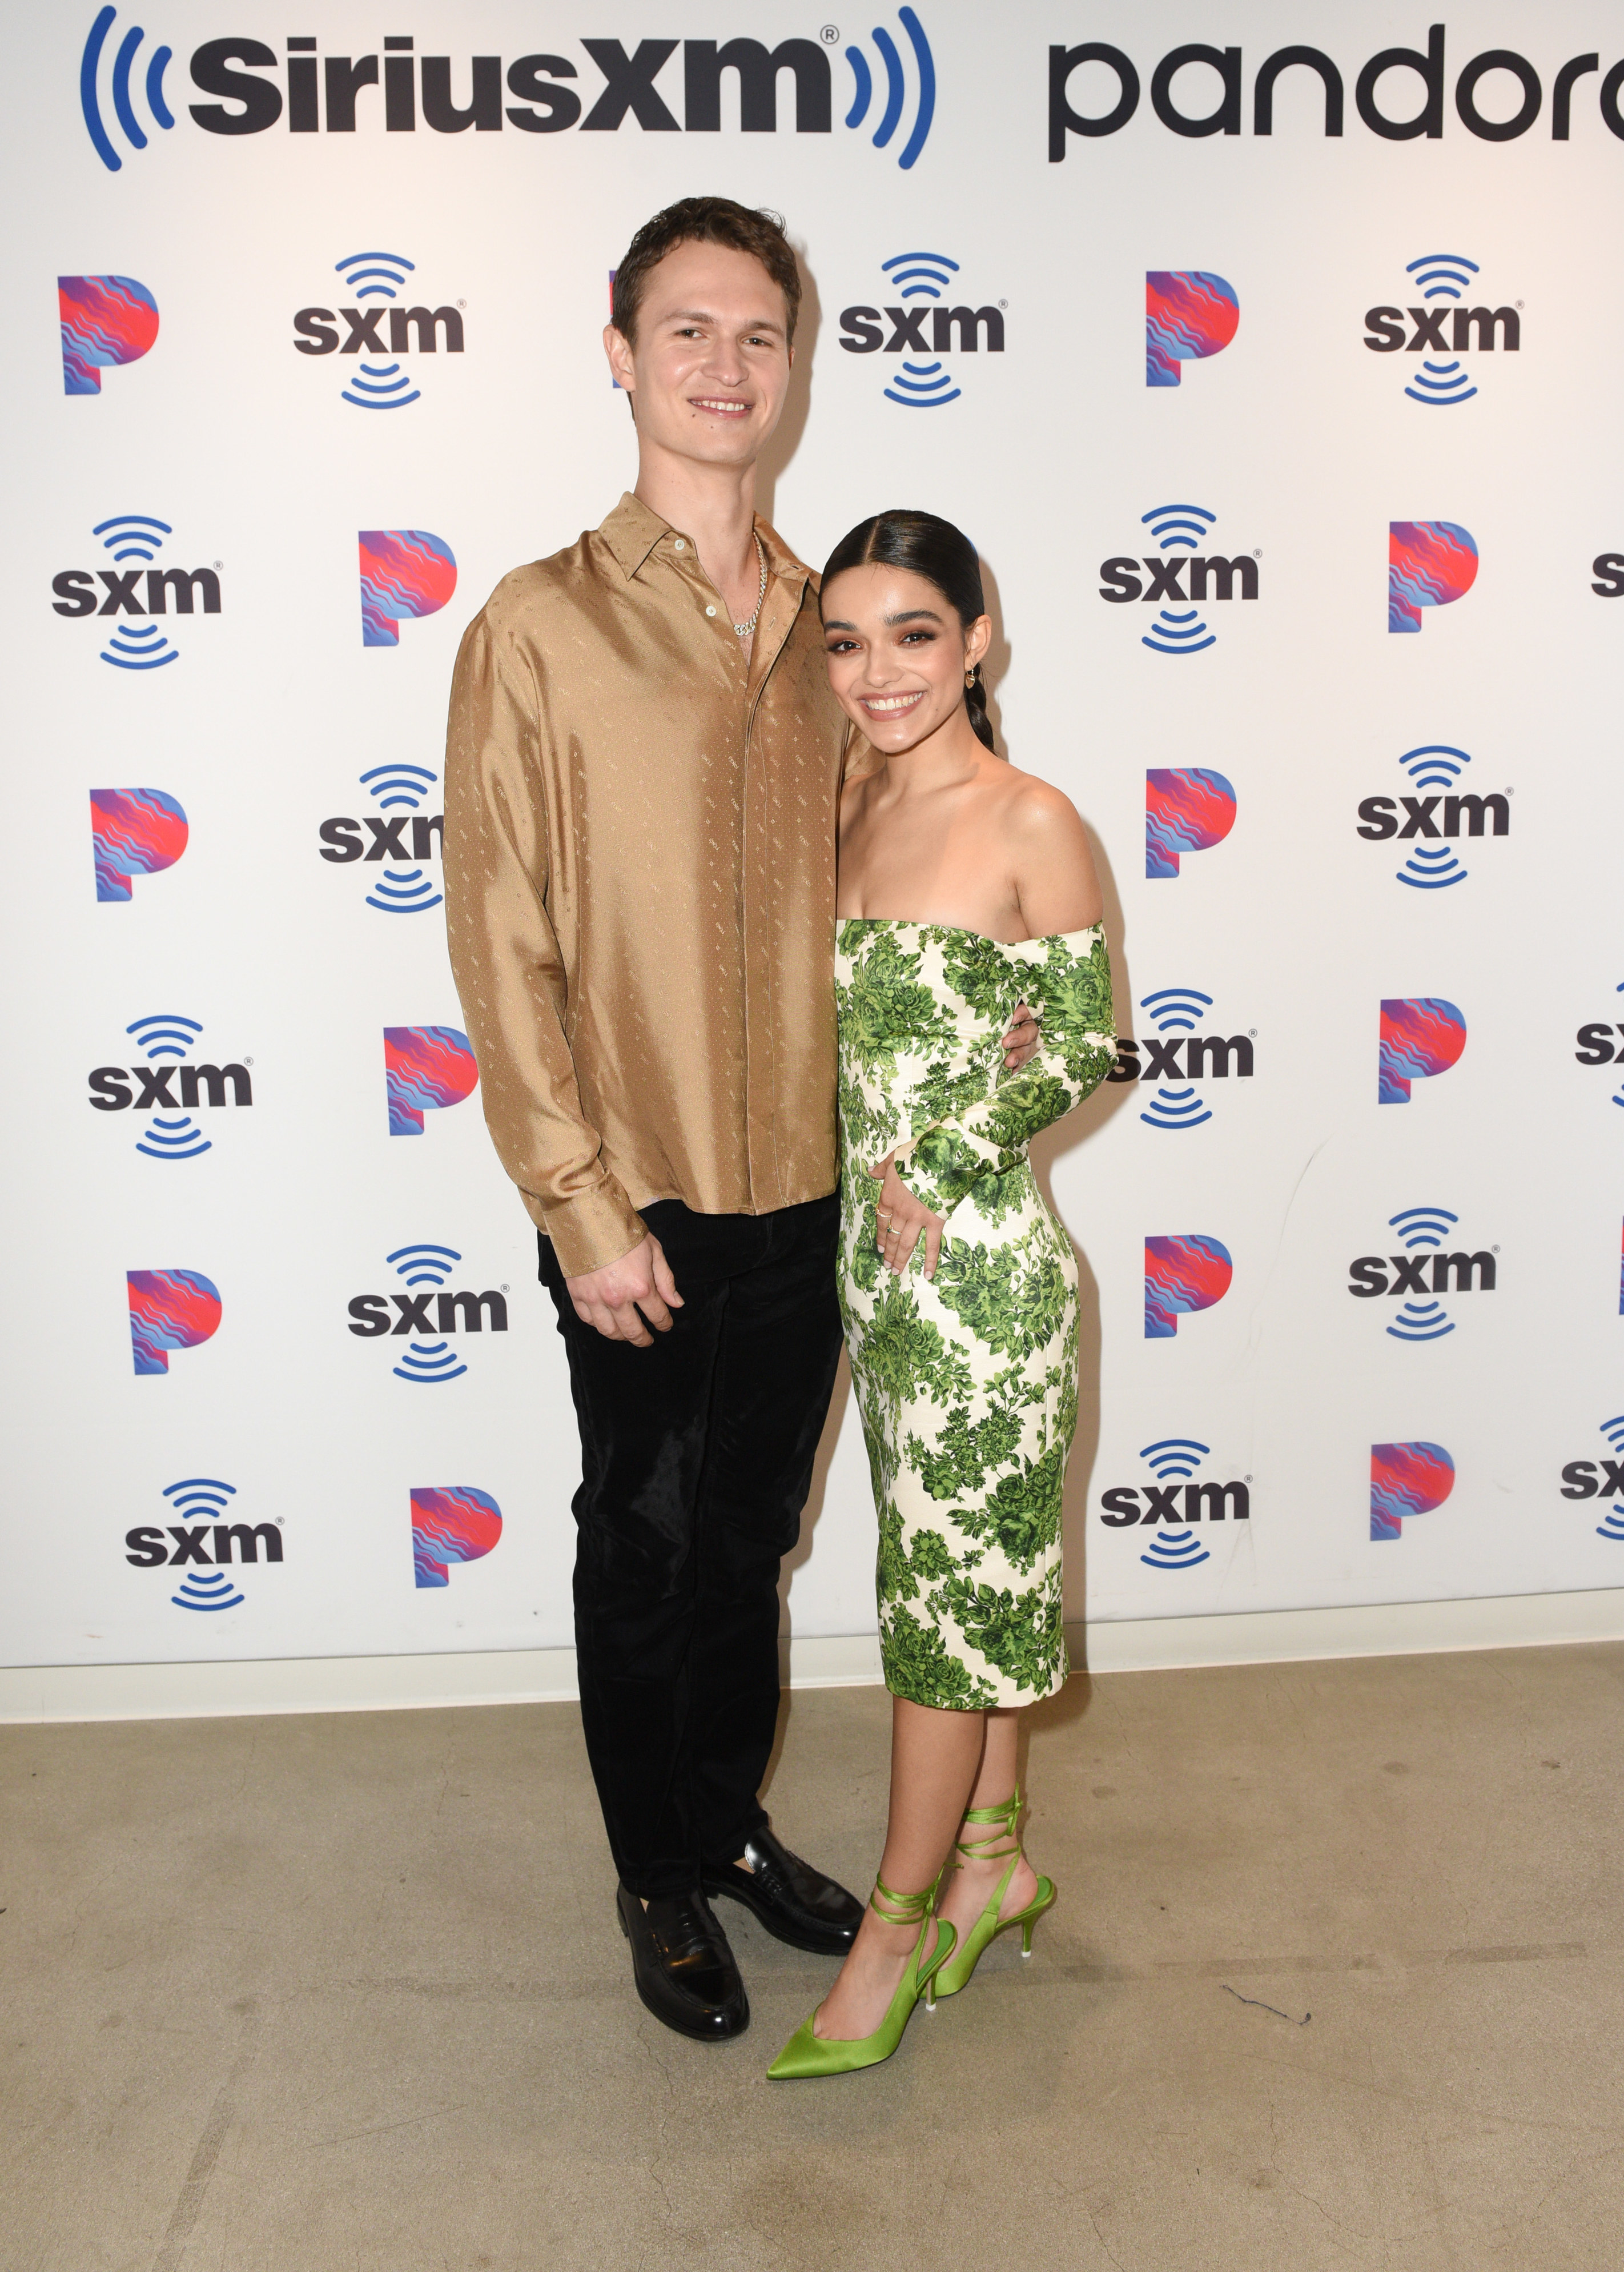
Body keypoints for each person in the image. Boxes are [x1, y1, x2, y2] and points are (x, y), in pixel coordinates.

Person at [441, 202, 1037, 2045]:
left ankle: (723, 1821)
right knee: (645, 1527)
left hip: (818, 1185)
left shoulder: (831, 631)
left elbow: (937, 857)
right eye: (687, 331)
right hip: (636, 1196)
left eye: (759, 335)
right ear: (620, 354)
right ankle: (654, 1869)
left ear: (796, 366)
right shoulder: (537, 625)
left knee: (756, 1535)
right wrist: (576, 1199)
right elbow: (501, 919)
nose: (724, 366)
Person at [768, 511, 1116, 2080]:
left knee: (935, 1623)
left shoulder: (1030, 816)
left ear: (979, 636)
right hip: (869, 1280)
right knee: (950, 1584)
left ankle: (896, 1929)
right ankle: (996, 1857)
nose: (876, 670)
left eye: (913, 632)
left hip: (977, 1286)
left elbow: (1093, 1041)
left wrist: (944, 1153)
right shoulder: (838, 803)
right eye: (843, 640)